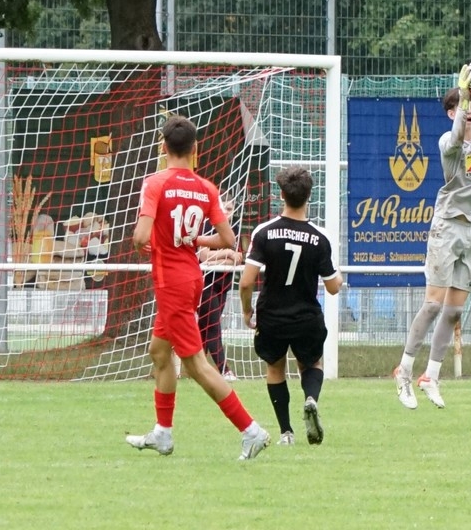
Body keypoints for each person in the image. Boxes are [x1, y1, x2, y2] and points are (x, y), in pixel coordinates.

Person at [126, 115, 270, 460]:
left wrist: (160, 242)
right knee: (159, 352)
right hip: (192, 278)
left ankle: (251, 431)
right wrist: (191, 239)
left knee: (196, 364)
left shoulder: (155, 183)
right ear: (195, 149)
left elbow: (140, 237)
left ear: (163, 147)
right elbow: (228, 239)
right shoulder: (206, 187)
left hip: (171, 283)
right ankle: (162, 433)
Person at [393, 59, 471, 409]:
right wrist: (464, 93)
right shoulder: (447, 141)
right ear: (452, 112)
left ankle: (431, 376)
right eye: (463, 107)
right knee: (433, 304)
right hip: (448, 226)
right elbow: (454, 139)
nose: (470, 112)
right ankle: (404, 370)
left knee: (453, 312)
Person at [239, 166, 343, 446]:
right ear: (309, 196)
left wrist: (247, 310)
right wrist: (339, 278)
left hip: (272, 316)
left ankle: (286, 432)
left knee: (275, 369)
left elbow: (246, 282)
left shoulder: (264, 232)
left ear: (281, 195)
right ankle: (311, 399)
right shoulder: (320, 237)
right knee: (312, 363)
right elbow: (333, 287)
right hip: (306, 317)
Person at [197, 197, 241, 381]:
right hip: (204, 283)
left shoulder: (234, 229)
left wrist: (223, 258)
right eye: (222, 208)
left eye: (229, 209)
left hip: (223, 285)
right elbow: (203, 256)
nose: (226, 212)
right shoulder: (206, 226)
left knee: (203, 329)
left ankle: (196, 370)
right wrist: (227, 253)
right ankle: (225, 370)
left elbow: (237, 259)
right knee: (213, 326)